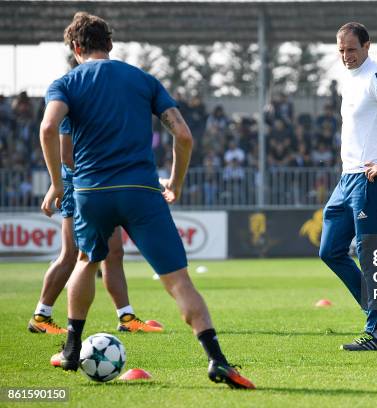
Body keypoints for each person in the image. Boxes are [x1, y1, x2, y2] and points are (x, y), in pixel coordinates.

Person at [40, 12, 253, 388]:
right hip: (142, 191)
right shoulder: (142, 80)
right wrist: (175, 182)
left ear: (76, 48)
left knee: (87, 261)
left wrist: (58, 185)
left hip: (92, 192)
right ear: (109, 45)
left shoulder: (66, 82)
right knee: (178, 281)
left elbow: (48, 128)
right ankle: (217, 360)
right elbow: (183, 135)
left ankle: (71, 351)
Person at [319, 22, 377, 351]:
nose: (346, 56)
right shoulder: (349, 79)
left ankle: (375, 334)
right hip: (347, 179)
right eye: (341, 50)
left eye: (352, 50)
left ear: (367, 46)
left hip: (370, 179)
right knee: (329, 250)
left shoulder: (376, 76)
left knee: (370, 253)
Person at [29, 116, 162, 335]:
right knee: (71, 254)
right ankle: (41, 316)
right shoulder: (71, 104)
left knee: (114, 252)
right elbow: (67, 157)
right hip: (81, 187)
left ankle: (126, 317)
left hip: (102, 185)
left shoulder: (100, 104)